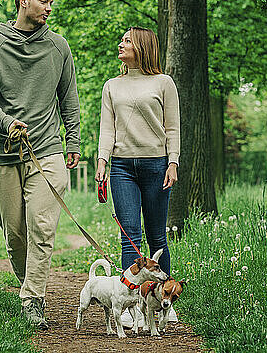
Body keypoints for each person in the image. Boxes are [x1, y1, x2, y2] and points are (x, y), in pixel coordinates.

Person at [0, 0, 80, 330]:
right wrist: (6, 122)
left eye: (51, 2)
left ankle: (33, 299)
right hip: (3, 152)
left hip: (47, 149)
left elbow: (69, 100)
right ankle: (28, 285)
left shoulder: (59, 47)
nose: (50, 7)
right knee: (15, 235)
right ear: (23, 1)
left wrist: (74, 143)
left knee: (42, 227)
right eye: (44, 1)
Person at [95, 26, 180, 325]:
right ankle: (130, 308)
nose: (121, 44)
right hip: (121, 167)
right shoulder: (111, 86)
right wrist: (102, 161)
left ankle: (164, 302)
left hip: (157, 165)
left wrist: (173, 162)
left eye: (127, 41)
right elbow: (107, 128)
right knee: (129, 237)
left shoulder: (164, 82)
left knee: (157, 237)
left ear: (142, 47)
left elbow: (172, 127)